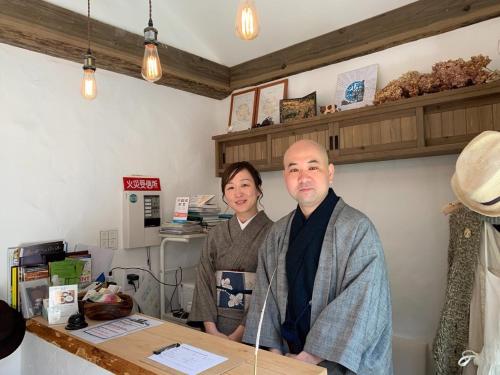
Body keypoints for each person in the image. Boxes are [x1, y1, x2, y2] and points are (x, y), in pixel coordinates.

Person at [243, 140, 392, 374]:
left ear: (330, 172)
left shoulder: (357, 228)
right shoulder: (278, 232)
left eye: (313, 167)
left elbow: (362, 303)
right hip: (284, 357)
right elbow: (265, 296)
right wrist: (276, 353)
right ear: (285, 177)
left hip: (335, 362)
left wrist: (309, 357)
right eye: (294, 169)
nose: (303, 177)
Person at [189, 161, 273, 342]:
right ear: (225, 196)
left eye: (245, 184)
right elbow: (203, 282)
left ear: (258, 189)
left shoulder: (274, 233)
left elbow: (269, 290)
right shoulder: (215, 234)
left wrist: (237, 335)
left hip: (255, 328)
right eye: (230, 187)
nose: (238, 193)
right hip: (215, 324)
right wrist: (211, 330)